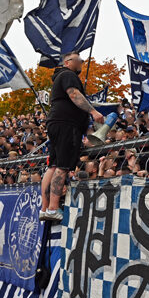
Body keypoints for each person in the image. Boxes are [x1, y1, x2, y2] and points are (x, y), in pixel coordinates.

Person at [40, 52, 104, 222]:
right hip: (66, 124)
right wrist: (93, 112)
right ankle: (53, 208)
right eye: (79, 60)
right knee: (62, 166)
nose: (81, 62)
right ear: (68, 62)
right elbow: (74, 94)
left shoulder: (60, 77)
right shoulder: (68, 75)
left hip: (57, 123)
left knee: (53, 166)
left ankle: (45, 208)